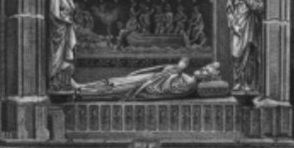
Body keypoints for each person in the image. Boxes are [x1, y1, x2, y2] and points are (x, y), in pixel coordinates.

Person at [74, 56, 221, 101]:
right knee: (115, 81)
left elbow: (165, 89)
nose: (201, 69)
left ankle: (82, 91)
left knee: (113, 87)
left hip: (142, 88)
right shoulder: (188, 79)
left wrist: (178, 69)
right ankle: (82, 86)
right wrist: (176, 70)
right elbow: (166, 76)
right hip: (146, 80)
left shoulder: (190, 85)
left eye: (204, 71)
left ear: (205, 79)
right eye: (204, 68)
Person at [226, 0, 263, 90]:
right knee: (236, 54)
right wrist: (233, 25)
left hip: (249, 25)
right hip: (238, 26)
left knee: (249, 55)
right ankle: (237, 81)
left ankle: (248, 83)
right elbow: (229, 10)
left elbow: (259, 8)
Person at [48, 0, 78, 91]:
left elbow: (70, 8)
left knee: (67, 53)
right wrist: (64, 20)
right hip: (59, 29)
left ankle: (65, 81)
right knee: (58, 56)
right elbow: (53, 12)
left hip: (66, 27)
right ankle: (56, 82)